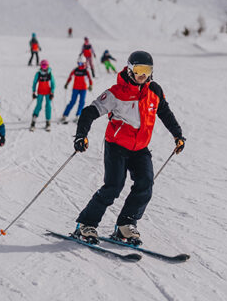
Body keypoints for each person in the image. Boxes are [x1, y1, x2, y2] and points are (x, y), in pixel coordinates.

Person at [71, 51, 186, 245]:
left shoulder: (154, 91)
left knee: (145, 184)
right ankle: (85, 224)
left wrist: (177, 135)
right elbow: (89, 112)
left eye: (147, 71)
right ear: (130, 70)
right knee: (113, 187)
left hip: (140, 147)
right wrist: (82, 135)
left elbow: (165, 112)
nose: (143, 76)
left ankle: (126, 224)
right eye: (139, 70)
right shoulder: (117, 93)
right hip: (116, 146)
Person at [60, 57, 93, 123]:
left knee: (82, 102)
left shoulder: (86, 71)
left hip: (83, 89)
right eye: (78, 63)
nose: (79, 65)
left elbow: (90, 79)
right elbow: (70, 76)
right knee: (72, 102)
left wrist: (90, 85)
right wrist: (67, 83)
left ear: (84, 63)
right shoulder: (75, 70)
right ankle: (65, 115)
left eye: (81, 63)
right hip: (75, 88)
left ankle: (78, 115)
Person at [31, 59, 55, 131]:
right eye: (42, 65)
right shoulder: (38, 74)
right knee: (38, 106)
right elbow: (34, 83)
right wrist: (33, 92)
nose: (44, 67)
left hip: (48, 92)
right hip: (40, 92)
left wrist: (52, 92)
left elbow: (53, 83)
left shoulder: (49, 73)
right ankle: (33, 121)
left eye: (45, 65)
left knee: (48, 106)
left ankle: (48, 122)